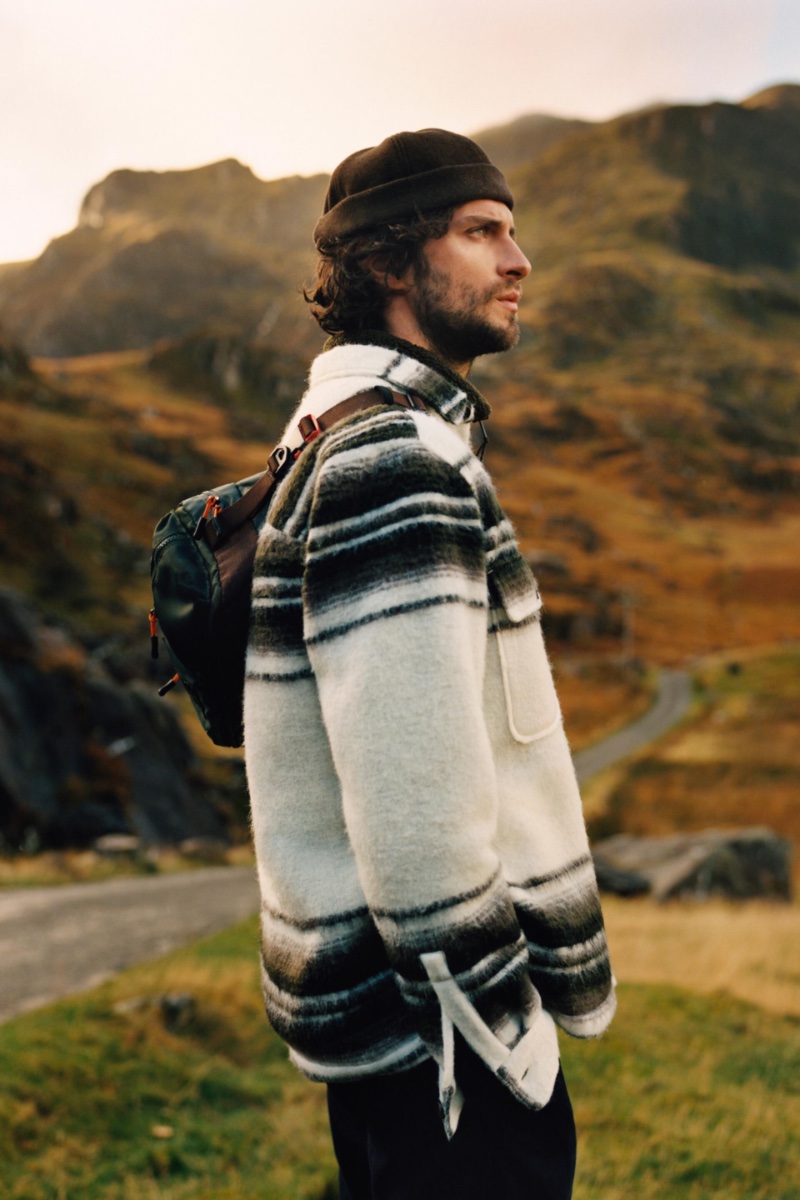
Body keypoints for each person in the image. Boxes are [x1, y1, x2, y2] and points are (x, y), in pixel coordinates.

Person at [244, 129, 616, 1200]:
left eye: (511, 229)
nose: (518, 260)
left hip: (407, 1035)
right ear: (387, 264)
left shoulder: (339, 428)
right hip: (447, 1051)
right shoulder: (396, 458)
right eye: (479, 231)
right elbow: (413, 812)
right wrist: (503, 1037)